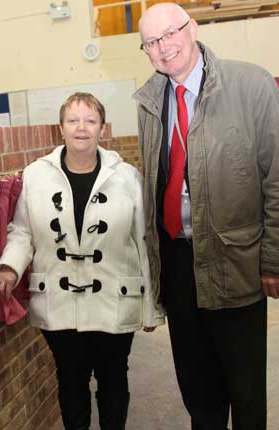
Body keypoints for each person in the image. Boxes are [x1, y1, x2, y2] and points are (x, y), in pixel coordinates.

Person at [134, 3, 279, 430]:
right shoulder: (149, 100)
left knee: (246, 389)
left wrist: (272, 257)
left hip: (236, 259)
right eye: (151, 42)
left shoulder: (250, 84)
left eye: (170, 34)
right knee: (198, 389)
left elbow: (276, 177)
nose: (163, 47)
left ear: (192, 28)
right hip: (177, 263)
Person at [0, 92, 164, 430]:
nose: (81, 128)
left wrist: (151, 306)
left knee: (114, 378)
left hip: (115, 299)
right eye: (73, 120)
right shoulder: (36, 175)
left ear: (102, 128)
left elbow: (144, 241)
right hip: (59, 300)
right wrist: (10, 266)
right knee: (70, 381)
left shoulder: (127, 176)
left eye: (90, 120)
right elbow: (22, 231)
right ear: (61, 128)